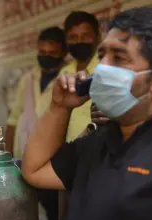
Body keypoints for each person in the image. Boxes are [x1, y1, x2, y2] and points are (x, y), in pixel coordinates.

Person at [22, 7, 152, 220]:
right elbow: (35, 170)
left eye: (119, 58)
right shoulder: (101, 141)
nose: (101, 68)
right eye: (102, 54)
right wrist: (60, 107)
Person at [5, 26, 68, 220]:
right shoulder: (28, 79)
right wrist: (9, 158)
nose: (46, 56)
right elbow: (13, 119)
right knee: (23, 218)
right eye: (42, 51)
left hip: (53, 164)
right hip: (23, 161)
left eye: (52, 52)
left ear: (63, 53)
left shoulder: (70, 78)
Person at [62, 11, 101, 141]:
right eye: (73, 37)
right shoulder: (64, 72)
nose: (79, 42)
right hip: (69, 153)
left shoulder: (106, 70)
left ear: (98, 37)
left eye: (85, 36)